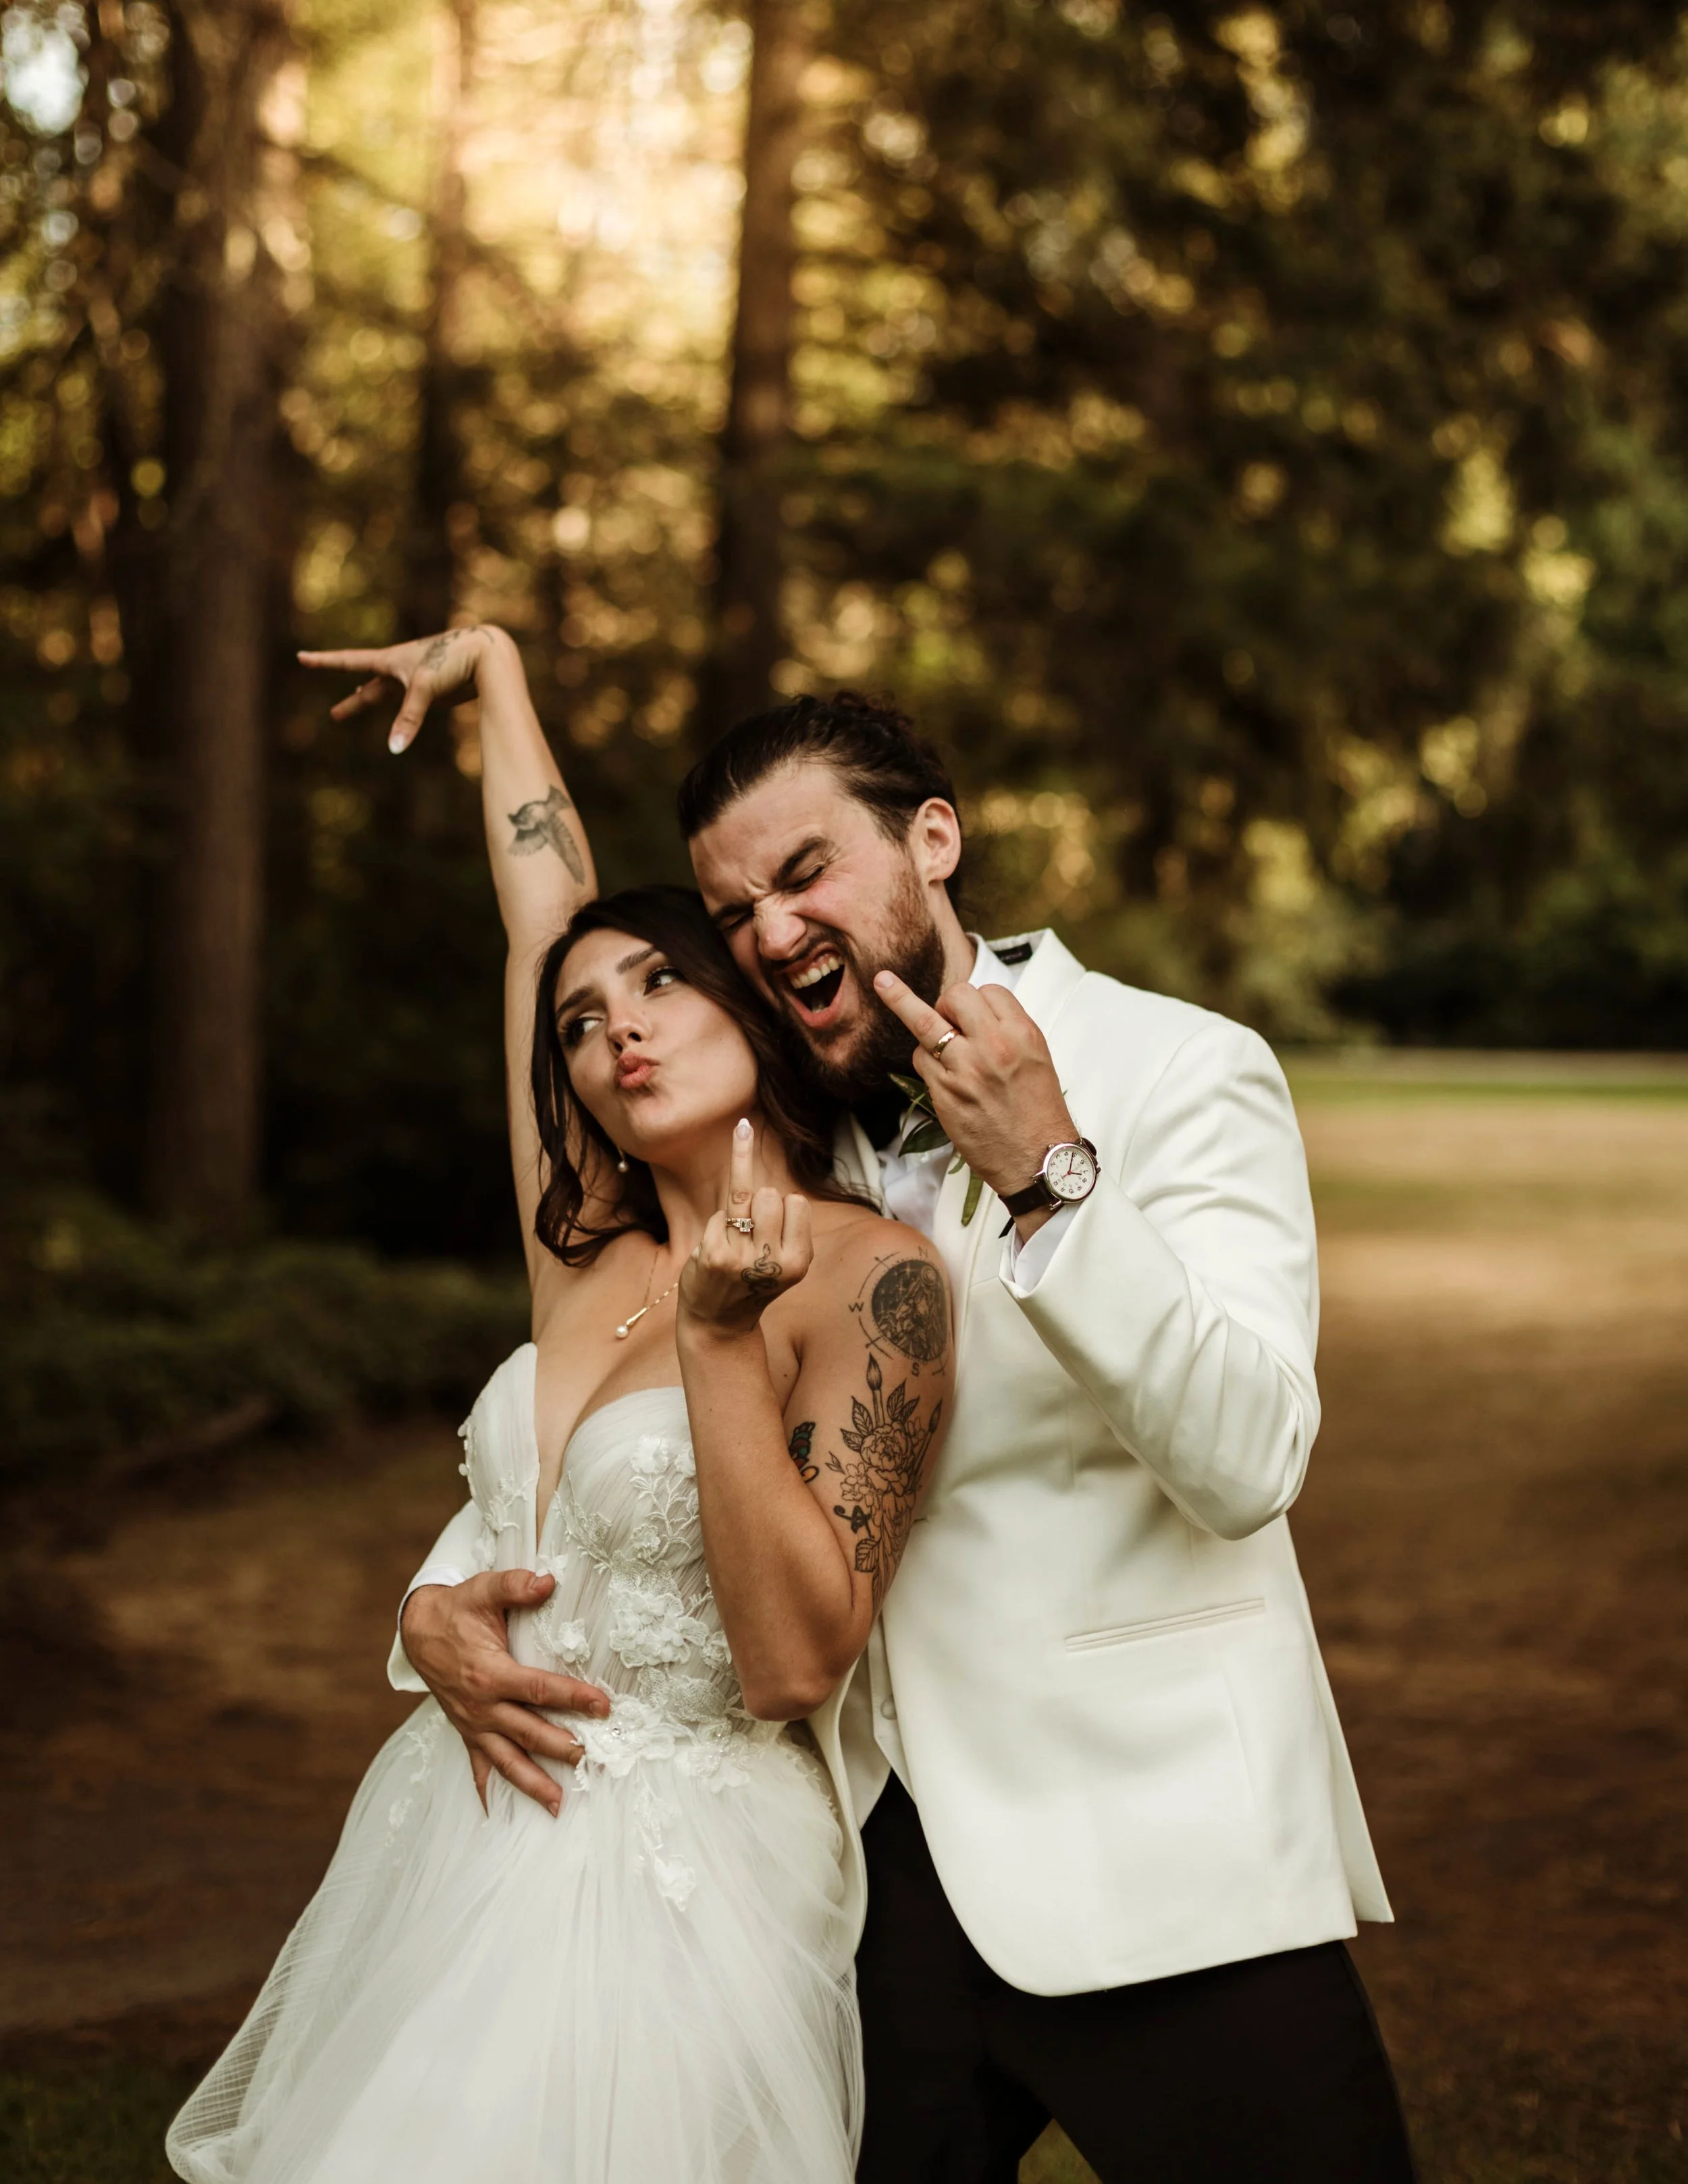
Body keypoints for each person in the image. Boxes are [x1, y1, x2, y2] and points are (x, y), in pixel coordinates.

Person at [401, 688, 1418, 2183]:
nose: (770, 930)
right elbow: (607, 1414)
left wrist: (1050, 1176)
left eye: (804, 871)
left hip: (1157, 1845)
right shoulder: (784, 1122)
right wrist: (435, 1598)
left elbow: (1249, 1458)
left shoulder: (1181, 1066)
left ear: (932, 839)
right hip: (853, 1878)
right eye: (734, 911)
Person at [165, 630, 953, 2184]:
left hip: (688, 1870)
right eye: (583, 1023)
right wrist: (495, 672)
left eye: (659, 981)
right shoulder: (580, 1249)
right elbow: (541, 918)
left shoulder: (871, 1281)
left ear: (752, 1001)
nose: (614, 1031)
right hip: (462, 1824)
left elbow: (797, 1662)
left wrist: (722, 1340)